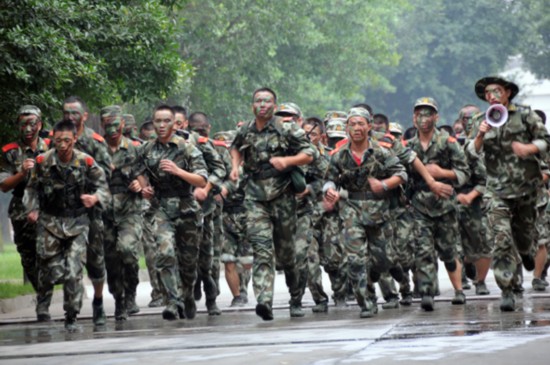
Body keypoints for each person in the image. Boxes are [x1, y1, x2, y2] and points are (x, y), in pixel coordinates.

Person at [229, 87, 317, 320]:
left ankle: (295, 297)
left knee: (288, 255)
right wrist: (235, 167)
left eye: (268, 101)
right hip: (255, 197)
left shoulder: (286, 128)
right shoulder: (246, 129)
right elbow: (235, 147)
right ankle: (264, 301)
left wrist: (288, 160)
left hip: (282, 197)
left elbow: (310, 153)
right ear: (252, 106)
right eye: (258, 101)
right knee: (262, 249)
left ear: (275, 107)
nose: (263, 105)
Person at [470, 76, 550, 311]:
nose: (491, 96)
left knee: (525, 240)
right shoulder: (479, 120)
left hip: (526, 190)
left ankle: (527, 253)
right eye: (487, 93)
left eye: (496, 91)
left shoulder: (525, 115)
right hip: (496, 191)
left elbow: (546, 140)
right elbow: (470, 152)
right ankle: (506, 288)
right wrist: (480, 135)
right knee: (502, 239)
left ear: (507, 93)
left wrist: (530, 148)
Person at [24, 119, 110, 331]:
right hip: (50, 223)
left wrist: (95, 198)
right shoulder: (43, 161)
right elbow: (31, 189)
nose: (62, 145)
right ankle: (43, 304)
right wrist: (31, 209)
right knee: (49, 270)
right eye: (58, 140)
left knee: (73, 271)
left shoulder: (86, 162)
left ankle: (71, 315)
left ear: (75, 139)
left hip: (78, 223)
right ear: (53, 139)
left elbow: (104, 188)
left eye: (67, 141)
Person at [323, 107, 407, 318]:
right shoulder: (339, 155)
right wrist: (330, 190)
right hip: (352, 210)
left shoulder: (381, 152)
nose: (357, 128)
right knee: (356, 260)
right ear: (347, 128)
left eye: (361, 124)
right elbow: (329, 179)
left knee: (382, 260)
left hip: (379, 212)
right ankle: (366, 302)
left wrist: (385, 185)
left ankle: (391, 267)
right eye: (353, 124)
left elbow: (401, 174)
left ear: (369, 126)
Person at [137, 104, 208, 320]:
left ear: (174, 123)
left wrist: (178, 171)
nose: (161, 125)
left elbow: (202, 180)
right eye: (157, 121)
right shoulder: (146, 149)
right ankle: (172, 301)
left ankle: (187, 296)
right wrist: (144, 188)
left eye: (166, 121)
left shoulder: (187, 148)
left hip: (186, 208)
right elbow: (138, 171)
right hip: (161, 208)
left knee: (188, 262)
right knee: (165, 253)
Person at [407, 97, 470, 311]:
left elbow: (464, 173)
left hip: (445, 205)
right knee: (423, 251)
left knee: (449, 252)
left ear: (436, 117)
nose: (423, 118)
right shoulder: (409, 146)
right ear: (414, 118)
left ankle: (459, 291)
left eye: (428, 113)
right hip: (419, 206)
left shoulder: (448, 143)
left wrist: (442, 173)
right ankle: (427, 292)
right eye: (419, 114)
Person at [62, 96, 112, 326]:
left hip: (91, 211)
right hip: (64, 213)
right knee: (70, 263)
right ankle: (70, 311)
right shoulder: (56, 140)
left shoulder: (95, 141)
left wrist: (95, 196)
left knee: (95, 261)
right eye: (66, 113)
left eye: (74, 113)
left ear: (84, 116)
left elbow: (106, 178)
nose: (69, 117)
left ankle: (98, 302)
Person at [0, 105, 52, 321]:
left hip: (49, 208)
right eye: (23, 124)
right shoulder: (9, 151)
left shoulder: (53, 145)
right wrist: (22, 172)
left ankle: (44, 303)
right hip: (21, 211)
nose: (28, 128)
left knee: (47, 255)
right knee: (28, 259)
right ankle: (42, 292)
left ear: (40, 124)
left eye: (33, 123)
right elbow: (3, 185)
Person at [100, 106, 144, 320]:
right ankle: (118, 299)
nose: (113, 129)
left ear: (123, 125)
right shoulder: (96, 150)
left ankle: (130, 294)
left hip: (129, 211)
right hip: (105, 213)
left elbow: (146, 175)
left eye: (116, 125)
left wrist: (139, 183)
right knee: (111, 259)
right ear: (102, 126)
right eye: (108, 125)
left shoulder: (135, 149)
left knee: (127, 251)